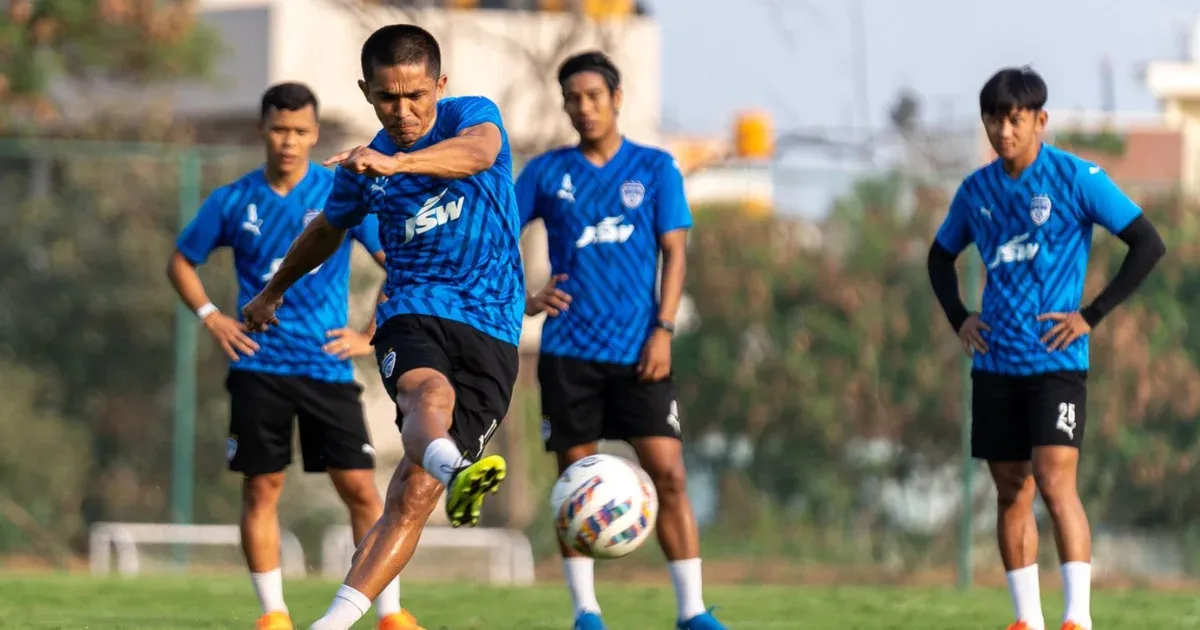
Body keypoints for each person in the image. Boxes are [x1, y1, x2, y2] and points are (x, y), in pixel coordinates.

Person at [240, 25, 524, 630]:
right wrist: (272, 291)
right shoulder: (362, 166)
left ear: (439, 85)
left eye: (416, 95)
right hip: (413, 310)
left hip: (493, 325)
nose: (403, 110)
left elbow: (479, 154)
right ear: (366, 91)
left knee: (411, 498)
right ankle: (456, 470)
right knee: (429, 395)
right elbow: (325, 230)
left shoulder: (471, 116)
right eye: (388, 98)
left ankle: (337, 619)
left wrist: (398, 164)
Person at [167, 82, 414, 630]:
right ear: (263, 129)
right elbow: (181, 261)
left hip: (328, 368)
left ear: (315, 134)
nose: (289, 141)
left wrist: (370, 334)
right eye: (280, 129)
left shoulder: (340, 193)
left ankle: (390, 614)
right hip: (259, 368)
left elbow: (395, 260)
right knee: (262, 488)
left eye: (300, 131)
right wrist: (212, 316)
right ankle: (273, 614)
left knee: (361, 490)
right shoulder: (233, 200)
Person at [927, 66, 1166, 630]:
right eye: (993, 120)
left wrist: (1090, 316)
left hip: (1057, 362)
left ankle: (1077, 619)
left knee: (1056, 482)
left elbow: (1147, 244)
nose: (1003, 131)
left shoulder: (1076, 178)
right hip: (996, 363)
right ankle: (1027, 621)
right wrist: (960, 318)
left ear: (1040, 120)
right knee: (1011, 490)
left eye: (1015, 119)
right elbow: (939, 257)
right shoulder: (976, 191)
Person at [516, 51, 726, 630]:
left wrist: (663, 329)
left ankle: (692, 611)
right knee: (575, 482)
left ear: (616, 98)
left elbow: (675, 252)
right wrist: (525, 298)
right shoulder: (546, 172)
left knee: (670, 473)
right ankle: (586, 611)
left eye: (593, 96)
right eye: (572, 99)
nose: (583, 107)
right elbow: (498, 236)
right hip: (568, 352)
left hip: (640, 351)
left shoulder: (655, 168)